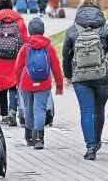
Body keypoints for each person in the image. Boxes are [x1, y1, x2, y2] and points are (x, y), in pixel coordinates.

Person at [62, 0, 108, 160]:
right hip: (103, 76)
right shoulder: (107, 29)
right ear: (98, 10)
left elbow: (65, 56)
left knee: (86, 110)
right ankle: (97, 141)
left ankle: (90, 147)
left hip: (80, 77)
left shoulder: (72, 30)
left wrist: (68, 75)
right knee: (98, 110)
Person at [15, 18, 64, 149]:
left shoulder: (25, 47)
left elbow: (18, 67)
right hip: (44, 83)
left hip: (26, 82)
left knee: (28, 108)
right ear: (43, 31)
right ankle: (39, 139)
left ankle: (29, 136)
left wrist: (17, 84)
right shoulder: (48, 47)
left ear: (30, 31)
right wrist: (59, 86)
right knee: (40, 109)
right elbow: (56, 68)